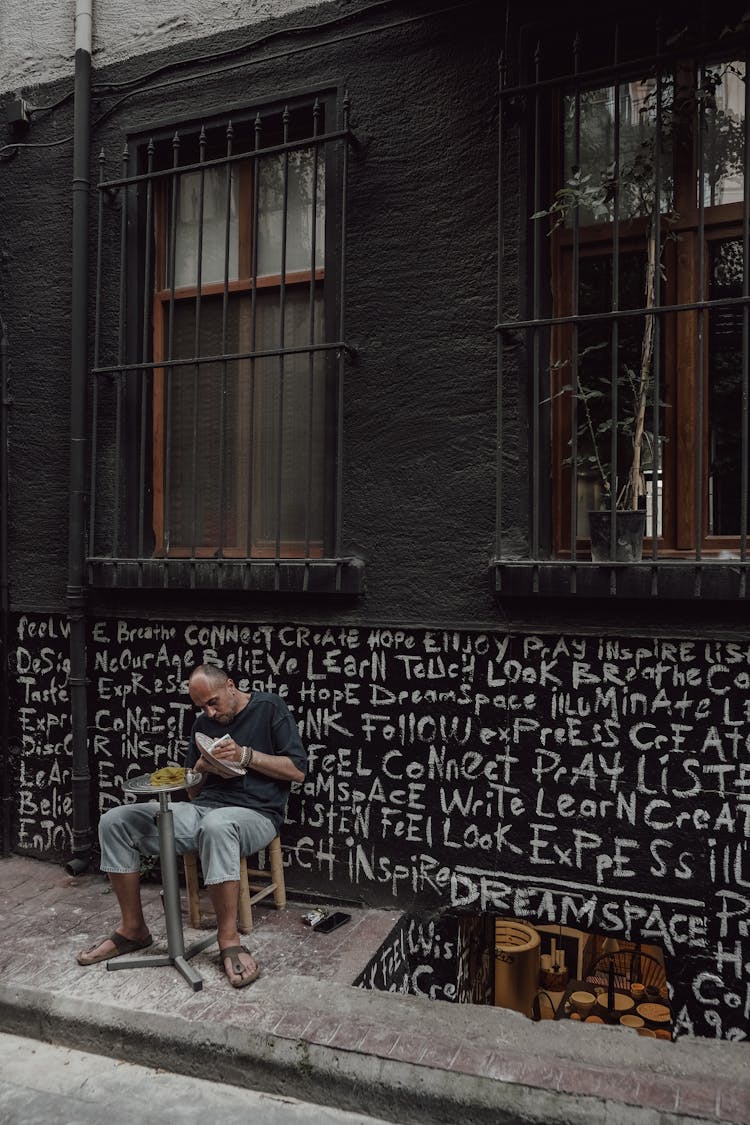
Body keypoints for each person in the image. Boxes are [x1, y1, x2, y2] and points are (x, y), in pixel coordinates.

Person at [77, 663, 306, 988]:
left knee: (216, 825)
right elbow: (194, 792)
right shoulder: (203, 723)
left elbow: (298, 770)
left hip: (257, 814)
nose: (209, 713)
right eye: (201, 707)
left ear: (230, 685)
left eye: (213, 702)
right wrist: (202, 767)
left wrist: (245, 756)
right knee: (116, 821)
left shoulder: (269, 707)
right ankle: (133, 930)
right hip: (205, 809)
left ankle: (228, 939)